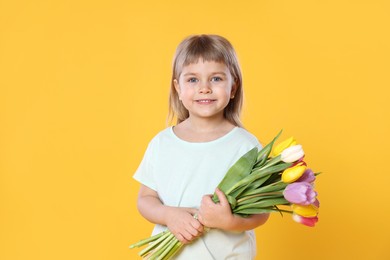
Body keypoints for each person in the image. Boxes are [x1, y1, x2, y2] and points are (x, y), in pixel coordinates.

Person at [133, 34, 269, 259]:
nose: (204, 88)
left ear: (233, 87)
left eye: (216, 79)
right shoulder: (162, 143)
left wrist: (228, 221)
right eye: (193, 80)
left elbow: (261, 212)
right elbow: (145, 199)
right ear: (178, 87)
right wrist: (169, 216)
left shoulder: (246, 146)